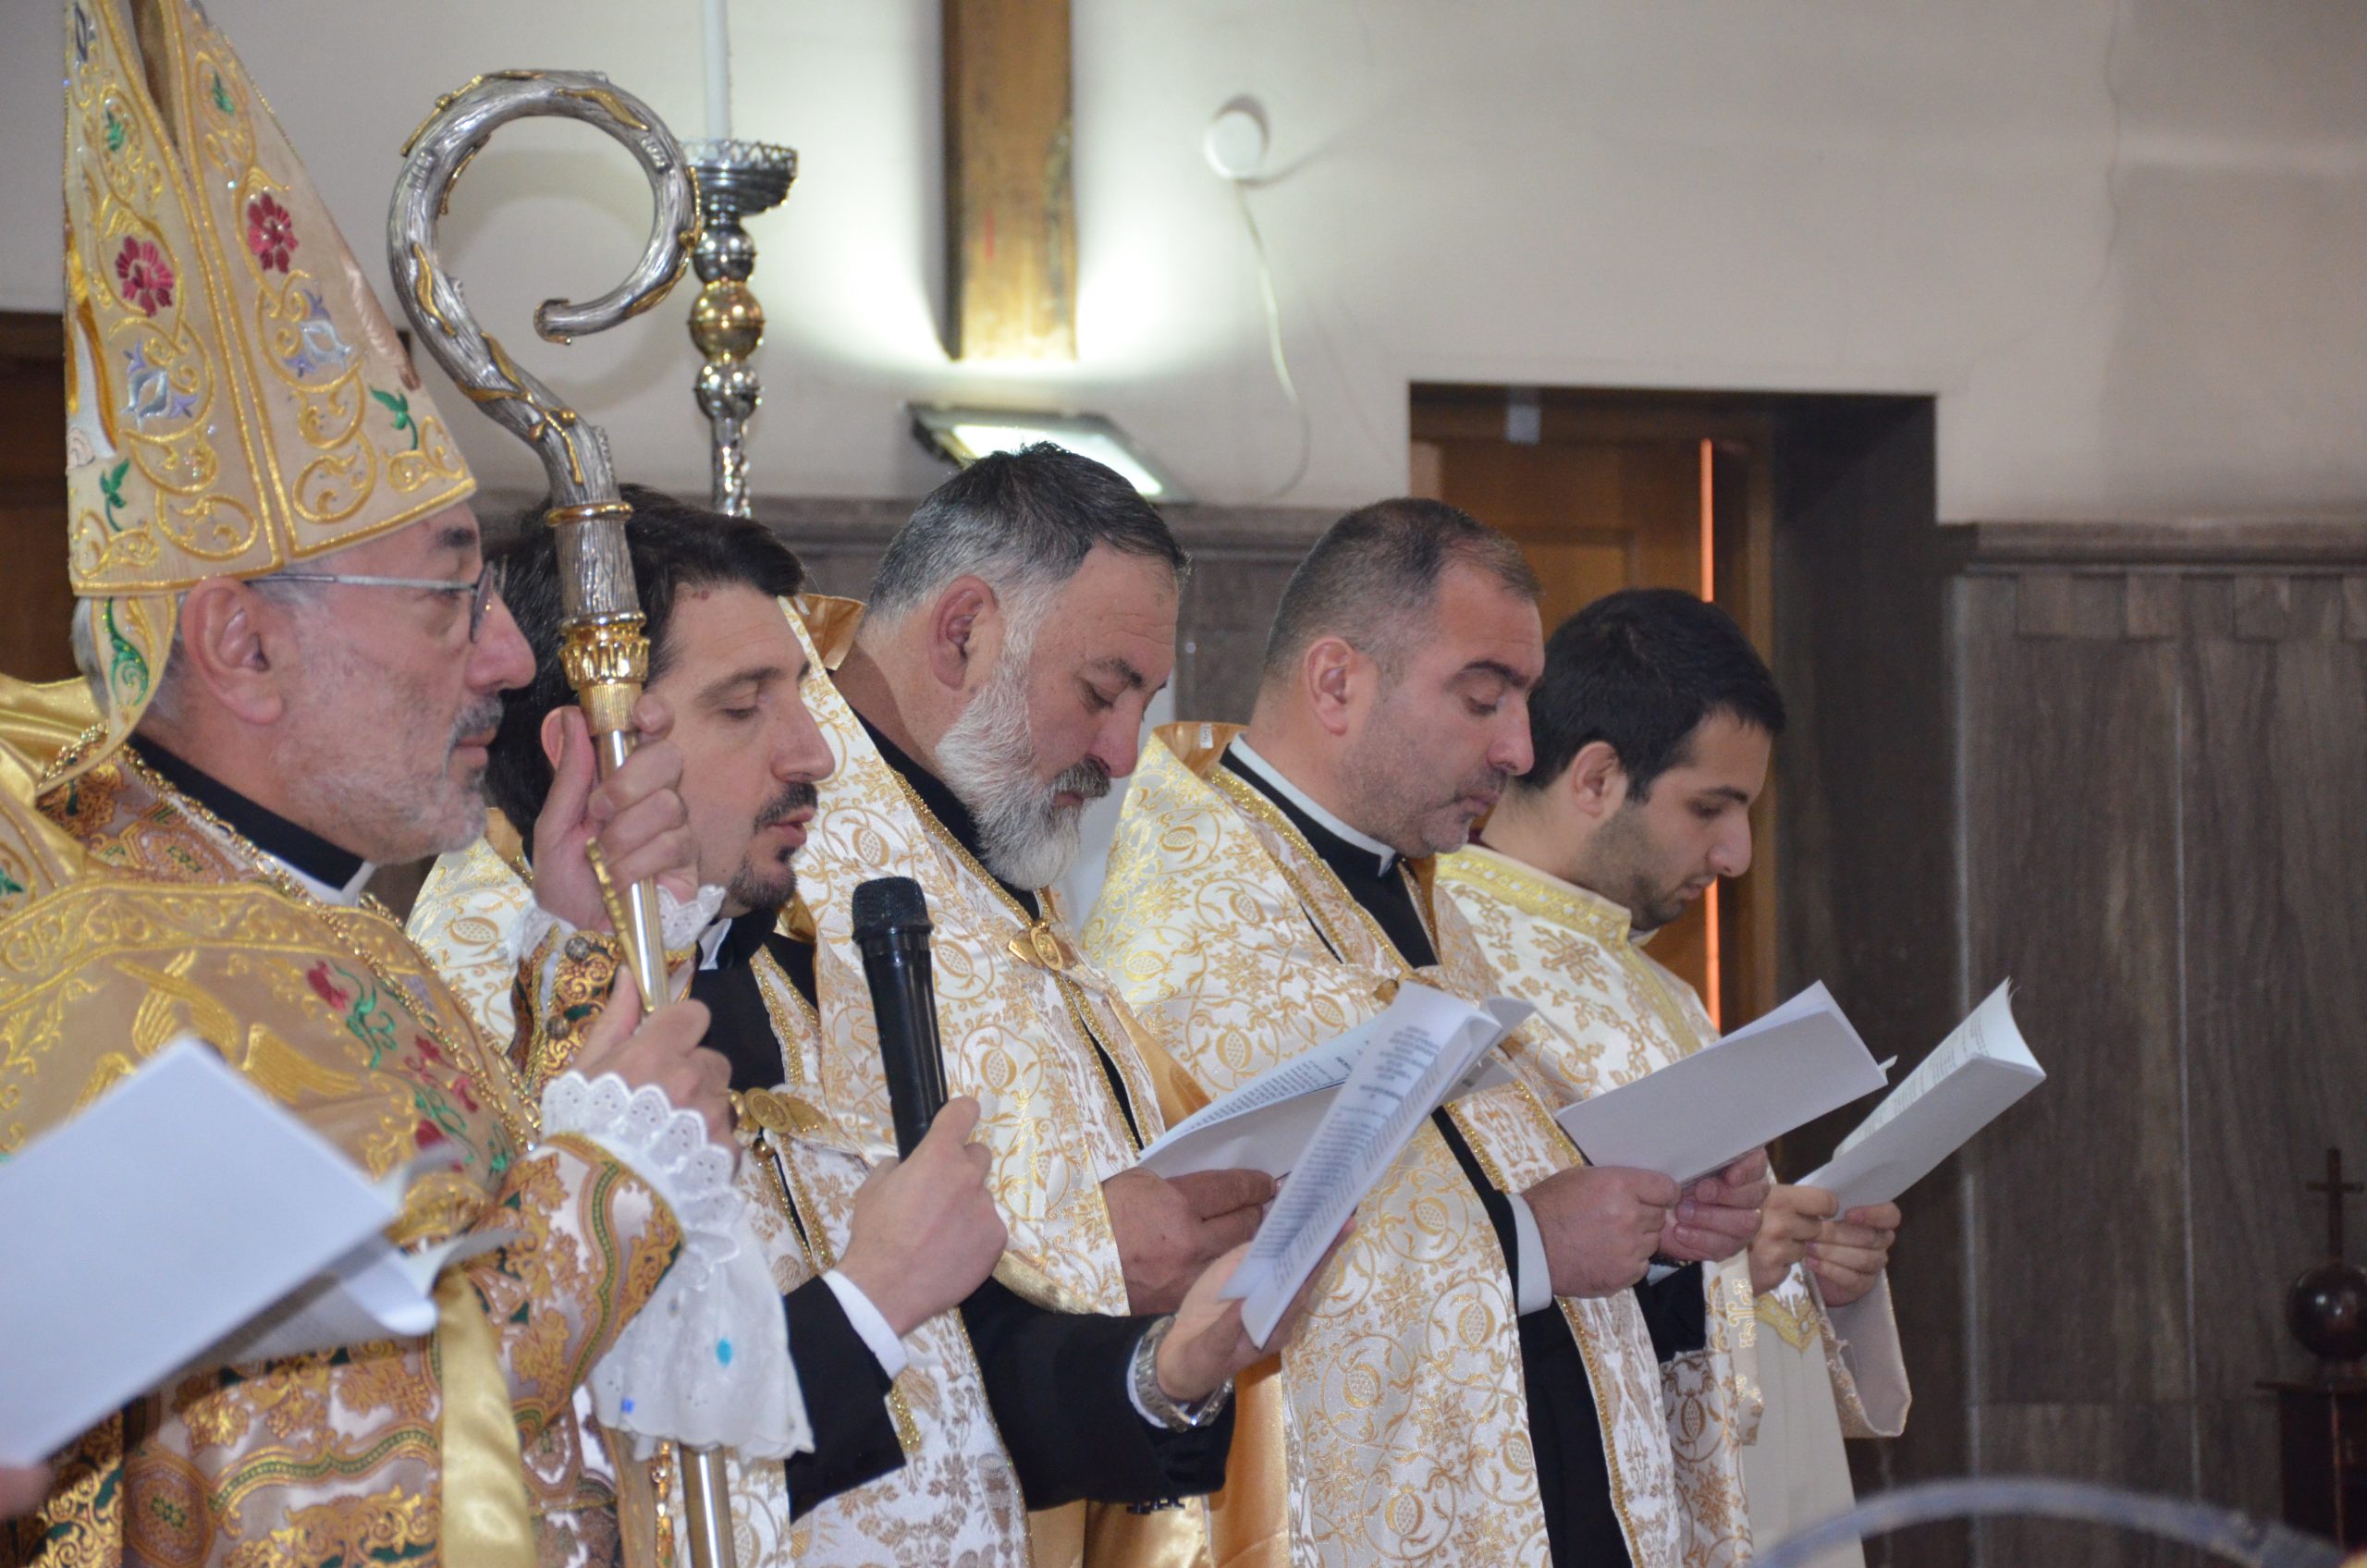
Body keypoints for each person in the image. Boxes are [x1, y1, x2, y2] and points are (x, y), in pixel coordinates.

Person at [0, 4, 736, 1562]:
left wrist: (569, 958)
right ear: (245, 643)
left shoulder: (311, 919)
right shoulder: (105, 980)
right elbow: (291, 1478)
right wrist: (610, 1192)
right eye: (453, 595)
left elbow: (457, 1246)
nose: (507, 659)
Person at [411, 482, 1329, 1567]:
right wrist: (871, 1295)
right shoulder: (495, 1004)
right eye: (744, 707)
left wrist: (1171, 1367)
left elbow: (955, 1395)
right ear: (593, 747)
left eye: (800, 694)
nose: (815, 753)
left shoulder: (788, 975)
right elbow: (582, 1458)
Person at [1084, 499, 1774, 1568]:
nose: (1519, 747)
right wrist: (1531, 1244)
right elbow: (1204, 1299)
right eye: (1483, 699)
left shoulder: (1424, 892)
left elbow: (1497, 1216)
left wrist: (1659, 1236)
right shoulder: (1190, 937)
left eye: (1525, 702)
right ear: (1336, 683)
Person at [1436, 589, 1908, 1564]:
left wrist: (1817, 1271)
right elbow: (1461, 1287)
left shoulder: (1667, 993)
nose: (1736, 855)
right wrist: (1727, 1268)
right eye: (1710, 808)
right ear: (1598, 777)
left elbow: (1735, 1270)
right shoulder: (1448, 966)